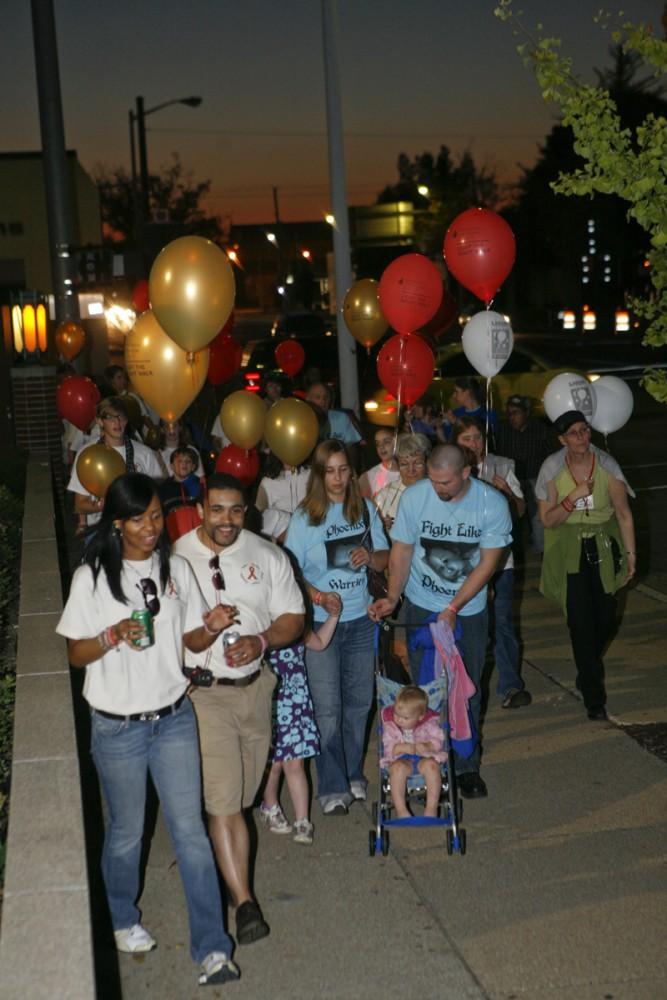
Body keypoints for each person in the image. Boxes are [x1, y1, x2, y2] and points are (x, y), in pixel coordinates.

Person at [55, 472, 240, 987]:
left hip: (174, 718)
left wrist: (213, 626)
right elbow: (75, 652)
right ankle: (121, 918)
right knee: (125, 835)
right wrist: (112, 634)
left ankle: (212, 948)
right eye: (139, 518)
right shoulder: (92, 577)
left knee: (192, 836)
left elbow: (190, 642)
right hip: (117, 728)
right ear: (118, 523)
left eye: (157, 515)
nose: (151, 526)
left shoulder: (176, 567)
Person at [173, 473, 305, 945]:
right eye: (216, 509)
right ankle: (245, 902)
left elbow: (294, 615)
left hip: (257, 689)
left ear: (246, 509)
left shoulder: (268, 554)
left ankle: (230, 867)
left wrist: (261, 640)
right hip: (205, 694)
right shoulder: (177, 558)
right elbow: (180, 638)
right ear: (200, 507)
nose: (226, 520)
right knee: (225, 802)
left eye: (235, 510)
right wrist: (208, 633)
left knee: (244, 797)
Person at [369, 444, 512, 799]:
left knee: (467, 688)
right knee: (425, 690)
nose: (438, 489)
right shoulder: (416, 498)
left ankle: (466, 767)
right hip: (420, 604)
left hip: (469, 610)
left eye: (445, 483)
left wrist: (454, 607)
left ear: (466, 473)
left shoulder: (490, 503)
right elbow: (402, 550)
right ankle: (431, 766)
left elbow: (487, 564)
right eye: (434, 481)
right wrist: (392, 596)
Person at [285, 440, 389, 815]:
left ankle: (352, 774)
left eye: (344, 469)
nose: (338, 478)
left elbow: (386, 555)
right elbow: (289, 572)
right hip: (321, 625)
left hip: (361, 620)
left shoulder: (362, 509)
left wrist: (371, 558)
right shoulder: (303, 518)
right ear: (319, 474)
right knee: (327, 709)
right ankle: (331, 787)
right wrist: (317, 597)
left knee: (359, 704)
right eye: (330, 470)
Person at [536, 410, 636, 721]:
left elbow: (623, 513)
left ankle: (587, 667)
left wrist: (631, 555)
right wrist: (572, 498)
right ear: (562, 439)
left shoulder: (606, 465)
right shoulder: (552, 469)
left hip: (604, 545)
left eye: (585, 430)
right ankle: (594, 700)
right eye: (574, 433)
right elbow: (548, 520)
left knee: (606, 619)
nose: (582, 437)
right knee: (580, 623)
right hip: (570, 548)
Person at [451, 417, 532, 709]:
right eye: (466, 439)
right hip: (461, 564)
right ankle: (463, 686)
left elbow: (521, 511)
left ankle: (511, 685)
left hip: (500, 562)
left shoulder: (503, 465)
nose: (473, 444)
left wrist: (508, 494)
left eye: (477, 438)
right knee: (468, 627)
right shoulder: (451, 470)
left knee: (502, 624)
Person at [260, 585, 342, 845]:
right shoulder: (260, 628)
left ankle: (303, 820)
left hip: (295, 704)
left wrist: (334, 617)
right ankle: (269, 805)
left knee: (295, 763)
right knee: (272, 764)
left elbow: (319, 643)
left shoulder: (295, 626)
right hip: (271, 702)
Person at [68, 397, 166, 530]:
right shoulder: (87, 454)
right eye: (110, 417)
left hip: (136, 529)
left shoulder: (145, 453)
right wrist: (103, 506)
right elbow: (79, 504)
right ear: (100, 421)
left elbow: (157, 496)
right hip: (101, 529)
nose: (117, 422)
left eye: (121, 417)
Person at [495, 395, 555, 554]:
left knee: (537, 516)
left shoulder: (540, 429)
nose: (512, 417)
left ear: (526, 412)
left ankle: (541, 551)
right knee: (513, 515)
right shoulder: (503, 429)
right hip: (512, 479)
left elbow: (551, 456)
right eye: (509, 413)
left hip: (536, 477)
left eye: (516, 412)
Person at [380, 685, 445, 818]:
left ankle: (431, 809)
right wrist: (400, 747)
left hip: (424, 759)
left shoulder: (429, 724)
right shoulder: (391, 726)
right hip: (401, 760)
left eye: (405, 718)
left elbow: (439, 740)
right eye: (396, 714)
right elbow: (387, 746)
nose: (399, 719)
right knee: (396, 769)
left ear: (420, 717)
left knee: (432, 766)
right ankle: (401, 810)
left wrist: (427, 745)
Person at [374, 433, 431, 532]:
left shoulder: (438, 490)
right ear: (397, 465)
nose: (411, 470)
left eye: (417, 463)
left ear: (427, 463)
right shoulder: (383, 496)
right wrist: (380, 529)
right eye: (404, 464)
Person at [255, 451, 310, 543]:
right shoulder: (267, 482)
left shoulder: (311, 475)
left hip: (312, 537)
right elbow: (257, 518)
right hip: (283, 545)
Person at [440, 376, 497, 443]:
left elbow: (483, 439)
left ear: (467, 392)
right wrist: (440, 427)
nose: (453, 395)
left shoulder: (489, 414)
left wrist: (456, 422)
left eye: (456, 391)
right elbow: (449, 442)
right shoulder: (455, 414)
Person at [158, 446, 202, 516]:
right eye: (179, 461)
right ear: (172, 466)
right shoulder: (164, 488)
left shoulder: (200, 485)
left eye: (188, 461)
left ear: (193, 467)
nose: (184, 464)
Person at [358, 427, 400, 500]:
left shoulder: (408, 473)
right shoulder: (367, 477)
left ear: (396, 442)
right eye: (378, 444)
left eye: (386, 442)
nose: (381, 447)